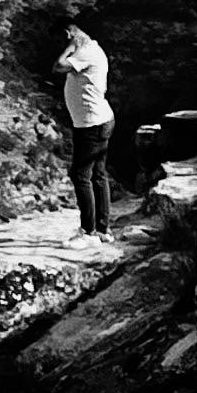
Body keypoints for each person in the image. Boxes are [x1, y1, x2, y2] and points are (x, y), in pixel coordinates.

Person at [56, 23, 115, 235]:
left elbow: (59, 66)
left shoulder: (85, 52)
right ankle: (102, 230)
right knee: (98, 175)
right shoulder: (92, 49)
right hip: (97, 120)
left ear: (68, 34)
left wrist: (70, 47)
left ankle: (88, 231)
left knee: (81, 176)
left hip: (92, 124)